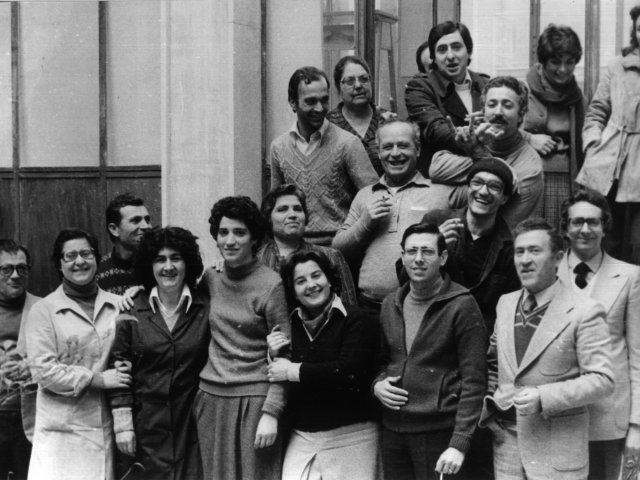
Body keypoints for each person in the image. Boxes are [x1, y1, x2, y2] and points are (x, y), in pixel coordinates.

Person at [480, 218, 614, 480]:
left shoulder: (585, 310)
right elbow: (493, 363)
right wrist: (493, 406)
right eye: (520, 252)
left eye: (535, 251)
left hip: (557, 455)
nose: (525, 260)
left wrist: (544, 395)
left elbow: (603, 379)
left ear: (558, 258)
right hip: (507, 448)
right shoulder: (505, 304)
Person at [374, 223, 486, 480]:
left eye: (427, 251)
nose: (418, 259)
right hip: (393, 431)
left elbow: (474, 381)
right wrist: (377, 385)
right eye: (411, 251)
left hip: (439, 433)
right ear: (402, 257)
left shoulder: (462, 304)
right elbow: (379, 361)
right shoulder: (391, 303)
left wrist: (459, 442)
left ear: (443, 258)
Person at [195, 196, 290, 480]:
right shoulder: (211, 277)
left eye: (239, 232)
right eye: (223, 232)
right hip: (212, 400)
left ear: (254, 239)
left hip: (255, 401)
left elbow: (284, 353)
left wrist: (272, 412)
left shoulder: (271, 284)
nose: (230, 240)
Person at [25, 229, 131, 480]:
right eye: (70, 256)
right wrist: (98, 379)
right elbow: (43, 371)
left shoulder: (118, 305)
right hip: (60, 434)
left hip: (101, 427)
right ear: (59, 265)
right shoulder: (44, 311)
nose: (79, 261)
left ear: (96, 258)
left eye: (86, 253)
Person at [266, 249, 379, 480]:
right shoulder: (291, 325)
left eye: (316, 275)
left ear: (329, 279)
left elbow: (349, 372)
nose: (311, 285)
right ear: (293, 292)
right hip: (304, 436)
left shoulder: (358, 320)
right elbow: (281, 374)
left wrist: (292, 370)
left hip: (352, 437)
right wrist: (274, 353)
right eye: (300, 281)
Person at [108, 226, 210, 480]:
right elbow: (119, 370)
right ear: (149, 266)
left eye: (175, 258)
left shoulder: (206, 308)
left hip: (192, 430)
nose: (168, 267)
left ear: (188, 263)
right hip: (145, 433)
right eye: (159, 259)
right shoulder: (131, 309)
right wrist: (123, 427)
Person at [557, 189, 640, 480]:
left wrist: (637, 426)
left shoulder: (630, 276)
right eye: (577, 221)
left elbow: (638, 356)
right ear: (565, 229)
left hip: (609, 421)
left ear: (605, 227)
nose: (585, 229)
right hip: (558, 417)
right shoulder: (546, 273)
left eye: (594, 222)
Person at [332, 118, 451, 310]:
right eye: (387, 147)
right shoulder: (365, 195)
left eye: (403, 145)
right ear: (378, 153)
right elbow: (338, 249)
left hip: (422, 306)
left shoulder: (440, 192)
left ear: (418, 150)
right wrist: (364, 222)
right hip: (369, 307)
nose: (395, 154)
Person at [269, 66, 378, 246]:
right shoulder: (278, 147)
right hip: (295, 251)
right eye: (310, 101)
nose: (319, 108)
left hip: (340, 249)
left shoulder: (348, 143)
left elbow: (373, 198)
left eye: (324, 100)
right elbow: (273, 206)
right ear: (292, 102)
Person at [418, 158, 520, 333]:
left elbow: (508, 308)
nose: (483, 191)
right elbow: (405, 277)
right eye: (477, 183)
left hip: (480, 335)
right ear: (467, 188)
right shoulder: (435, 221)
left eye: (494, 187)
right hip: (432, 329)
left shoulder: (510, 246)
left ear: (504, 198)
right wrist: (431, 248)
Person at [429, 76, 544, 229]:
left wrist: (476, 152)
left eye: (507, 105)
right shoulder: (473, 137)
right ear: (483, 111)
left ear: (521, 114)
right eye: (492, 104)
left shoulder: (530, 169)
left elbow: (501, 231)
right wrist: (479, 150)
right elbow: (436, 169)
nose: (498, 112)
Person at [576, 5, 640, 263]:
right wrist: (593, 144)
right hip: (610, 165)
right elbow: (596, 112)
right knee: (605, 240)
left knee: (637, 247)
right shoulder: (617, 67)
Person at [405, 21, 490, 175]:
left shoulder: (487, 85)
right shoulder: (419, 87)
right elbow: (436, 131)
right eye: (442, 50)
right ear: (434, 58)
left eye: (456, 47)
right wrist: (477, 135)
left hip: (486, 177)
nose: (450, 56)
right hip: (444, 180)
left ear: (469, 52)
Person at [522, 24, 585, 229]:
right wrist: (530, 139)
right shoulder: (521, 90)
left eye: (570, 62)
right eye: (555, 62)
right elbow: (501, 132)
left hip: (566, 182)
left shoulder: (579, 97)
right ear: (543, 61)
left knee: (560, 242)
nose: (563, 69)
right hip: (527, 180)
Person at [257, 184, 357, 307]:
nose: (292, 215)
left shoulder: (331, 257)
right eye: (283, 209)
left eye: (298, 209)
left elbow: (350, 311)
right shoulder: (257, 261)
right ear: (268, 218)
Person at [0, 240, 40, 480]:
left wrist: (30, 369)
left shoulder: (45, 308)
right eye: (6, 269)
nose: (15, 275)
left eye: (21, 269)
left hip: (31, 423)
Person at [326, 55, 391, 175]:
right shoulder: (328, 125)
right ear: (338, 88)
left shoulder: (388, 121)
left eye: (363, 79)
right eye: (350, 81)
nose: (358, 85)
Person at [96, 193, 151, 295]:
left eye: (147, 220)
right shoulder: (97, 271)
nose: (146, 226)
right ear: (114, 229)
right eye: (135, 220)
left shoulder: (159, 267)